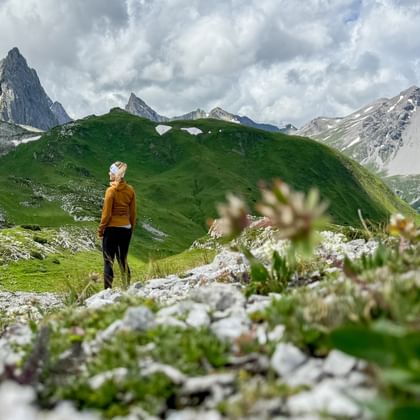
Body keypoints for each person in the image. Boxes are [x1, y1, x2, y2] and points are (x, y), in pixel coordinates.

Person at [98, 161, 136, 289]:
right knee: (123, 260)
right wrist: (131, 229)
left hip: (111, 230)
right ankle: (127, 287)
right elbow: (132, 213)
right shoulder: (130, 190)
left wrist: (101, 230)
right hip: (126, 229)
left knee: (108, 261)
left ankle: (107, 291)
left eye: (110, 171)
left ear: (114, 173)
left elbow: (106, 214)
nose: (109, 173)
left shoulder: (111, 191)